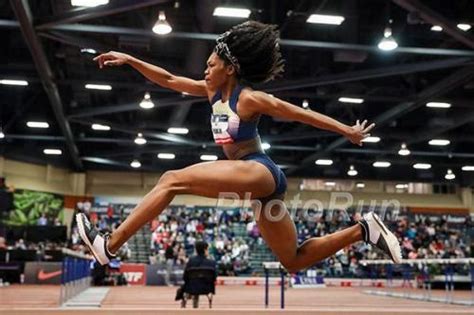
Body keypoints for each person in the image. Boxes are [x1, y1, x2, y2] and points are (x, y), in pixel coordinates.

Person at [76, 21, 401, 270]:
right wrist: (130, 59)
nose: (205, 70)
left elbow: (299, 114)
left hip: (259, 170)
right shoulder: (210, 91)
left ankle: (111, 245)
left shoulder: (249, 99)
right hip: (262, 188)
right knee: (294, 260)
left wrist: (347, 130)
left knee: (171, 180)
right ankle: (364, 230)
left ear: (230, 69)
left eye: (211, 65)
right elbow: (170, 80)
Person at [181, 241, 217, 308]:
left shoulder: (191, 261)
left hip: (192, 288)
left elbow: (185, 277)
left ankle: (186, 302)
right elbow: (214, 277)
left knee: (190, 285)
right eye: (207, 249)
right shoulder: (211, 262)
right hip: (207, 288)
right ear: (205, 250)